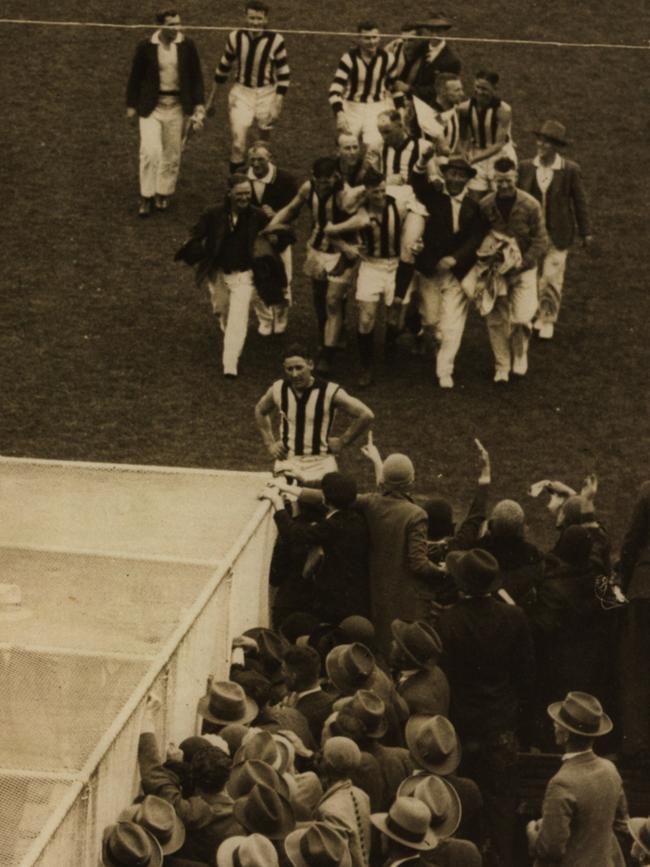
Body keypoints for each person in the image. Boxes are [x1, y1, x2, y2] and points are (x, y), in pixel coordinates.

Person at [437, 549, 535, 867]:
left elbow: (445, 675)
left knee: (461, 802)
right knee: (501, 805)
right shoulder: (514, 617)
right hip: (501, 725)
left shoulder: (447, 620)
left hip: (462, 727)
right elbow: (526, 675)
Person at [174, 173, 271, 378]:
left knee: (238, 318)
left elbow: (274, 235)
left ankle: (230, 363)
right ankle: (232, 335)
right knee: (222, 309)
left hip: (244, 275)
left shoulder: (257, 216)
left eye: (247, 193)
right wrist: (193, 249)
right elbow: (196, 234)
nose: (244, 198)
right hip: (218, 274)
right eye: (240, 194)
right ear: (229, 194)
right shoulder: (213, 214)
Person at [405, 152, 486, 388]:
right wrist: (422, 162)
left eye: (461, 175)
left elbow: (475, 239)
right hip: (430, 271)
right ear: (446, 175)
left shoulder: (474, 208)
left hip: (457, 274)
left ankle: (444, 371)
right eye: (452, 173)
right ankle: (426, 334)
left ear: (467, 179)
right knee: (430, 321)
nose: (456, 179)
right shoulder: (433, 198)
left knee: (452, 325)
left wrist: (454, 259)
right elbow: (417, 183)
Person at [323, 168, 410, 385]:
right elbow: (330, 232)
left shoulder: (398, 205)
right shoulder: (360, 215)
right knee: (365, 319)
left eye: (382, 191)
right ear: (367, 193)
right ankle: (365, 367)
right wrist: (346, 248)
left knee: (395, 319)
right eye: (375, 193)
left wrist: (416, 242)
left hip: (397, 265)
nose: (379, 196)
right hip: (371, 266)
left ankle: (390, 347)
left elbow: (417, 222)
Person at [267, 157, 362, 350]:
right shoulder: (308, 188)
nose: (323, 186)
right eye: (319, 181)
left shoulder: (347, 194)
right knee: (319, 294)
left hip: (342, 249)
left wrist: (348, 248)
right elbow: (292, 208)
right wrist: (271, 226)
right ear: (313, 177)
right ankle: (323, 332)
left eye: (327, 182)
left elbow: (361, 221)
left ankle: (335, 333)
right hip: (318, 248)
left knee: (334, 297)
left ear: (336, 176)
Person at [526, 692, 628, 867]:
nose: (554, 724)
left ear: (565, 736)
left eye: (558, 723)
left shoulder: (562, 782)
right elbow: (621, 825)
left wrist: (531, 832)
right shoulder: (610, 770)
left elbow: (550, 850)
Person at [254, 344, 374, 481]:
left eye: (299, 368)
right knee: (283, 500)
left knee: (321, 501)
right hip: (289, 460)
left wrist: (342, 441)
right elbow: (260, 410)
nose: (295, 374)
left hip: (321, 462)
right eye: (289, 369)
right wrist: (270, 443)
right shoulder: (279, 388)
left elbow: (366, 414)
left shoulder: (329, 391)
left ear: (310, 365)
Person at [126, 9, 205, 217]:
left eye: (178, 23)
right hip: (151, 106)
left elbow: (196, 77)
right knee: (150, 151)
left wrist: (198, 105)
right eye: (171, 24)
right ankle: (146, 196)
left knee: (172, 152)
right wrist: (131, 106)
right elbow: (135, 77)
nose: (176, 28)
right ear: (159, 25)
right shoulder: (145, 47)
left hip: (177, 105)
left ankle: (164, 192)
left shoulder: (187, 46)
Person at [518, 120, 593, 339]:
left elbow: (580, 202)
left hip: (558, 234)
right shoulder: (525, 167)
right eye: (539, 140)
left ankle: (546, 319)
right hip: (531, 235)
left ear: (556, 146)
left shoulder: (569, 170)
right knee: (530, 275)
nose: (541, 145)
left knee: (551, 277)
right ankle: (530, 313)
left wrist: (585, 232)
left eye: (547, 142)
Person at [262, 472, 370, 622]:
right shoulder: (357, 519)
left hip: (336, 601)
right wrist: (287, 487)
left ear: (325, 498)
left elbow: (294, 534)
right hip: (356, 597)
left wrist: (277, 503)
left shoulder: (331, 526)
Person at [479, 156, 549, 382]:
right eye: (499, 181)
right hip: (496, 272)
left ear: (516, 177)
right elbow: (478, 237)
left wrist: (522, 263)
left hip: (523, 270)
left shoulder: (530, 205)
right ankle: (502, 365)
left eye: (508, 180)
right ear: (493, 180)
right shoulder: (486, 205)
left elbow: (541, 240)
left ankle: (520, 354)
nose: (504, 185)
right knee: (497, 318)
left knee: (521, 317)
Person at [209, 0, 290, 173]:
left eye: (259, 19)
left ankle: (262, 183)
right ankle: (236, 185)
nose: (255, 23)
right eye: (251, 18)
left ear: (266, 20)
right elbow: (222, 69)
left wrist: (277, 104)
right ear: (245, 17)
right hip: (241, 93)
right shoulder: (235, 37)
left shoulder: (276, 40)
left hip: (267, 92)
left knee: (262, 145)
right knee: (238, 144)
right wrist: (211, 101)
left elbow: (284, 75)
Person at [246, 141, 299, 335]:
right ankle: (265, 318)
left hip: (279, 239)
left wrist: (275, 214)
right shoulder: (243, 179)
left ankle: (281, 315)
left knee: (284, 280)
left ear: (270, 158)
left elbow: (294, 212)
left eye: (260, 159)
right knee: (253, 281)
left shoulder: (286, 180)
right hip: (254, 240)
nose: (256, 164)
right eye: (252, 160)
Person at [328, 21, 399, 149]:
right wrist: (339, 113)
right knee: (346, 143)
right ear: (358, 39)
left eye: (374, 37)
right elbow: (334, 90)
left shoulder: (388, 58)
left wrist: (401, 110)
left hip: (377, 107)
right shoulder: (349, 59)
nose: (372, 42)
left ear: (380, 37)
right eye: (367, 38)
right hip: (352, 106)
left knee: (375, 145)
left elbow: (395, 87)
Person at [619, 481, 650, 767]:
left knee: (638, 669)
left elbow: (631, 541)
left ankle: (637, 748)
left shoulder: (648, 490)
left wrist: (623, 580)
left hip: (645, 590)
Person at [458, 70, 515, 199]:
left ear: (494, 88)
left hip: (501, 155)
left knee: (501, 196)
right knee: (474, 198)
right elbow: (462, 137)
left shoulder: (503, 110)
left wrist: (472, 160)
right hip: (477, 153)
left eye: (484, 89)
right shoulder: (465, 108)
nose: (479, 92)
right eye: (477, 87)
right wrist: (463, 155)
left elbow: (499, 144)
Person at [316, 737, 372, 866]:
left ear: (327, 764)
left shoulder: (329, 810)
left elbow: (337, 859)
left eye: (322, 754)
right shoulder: (361, 794)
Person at [280, 645, 336, 742]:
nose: (282, 674)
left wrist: (288, 714)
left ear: (294, 676)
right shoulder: (332, 701)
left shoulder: (301, 715)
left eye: (284, 670)